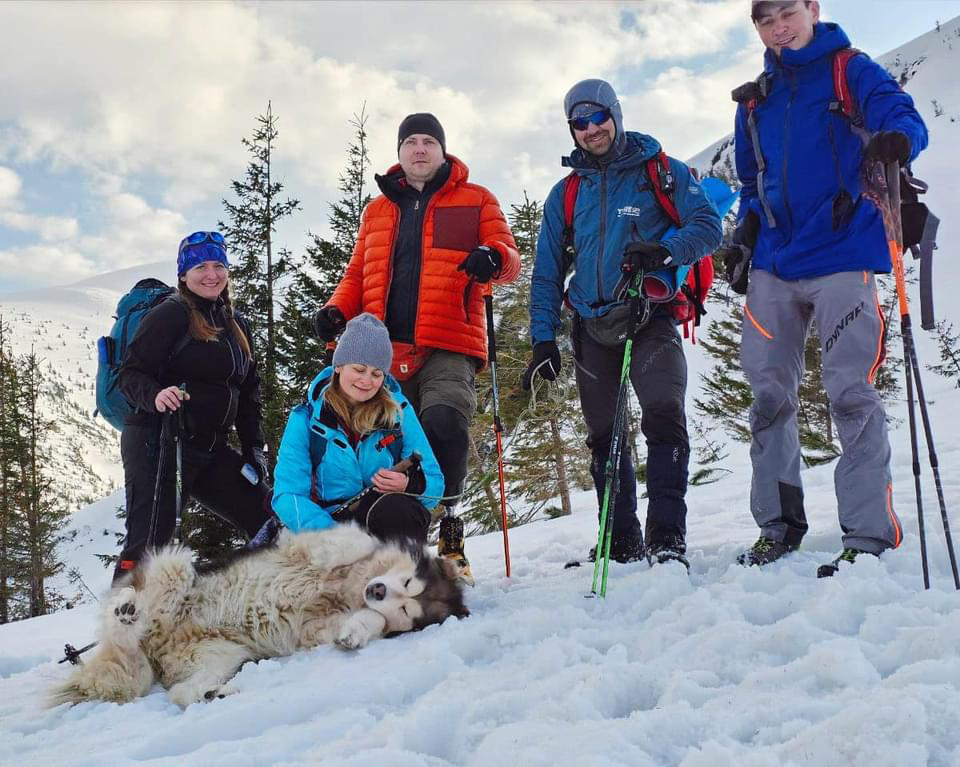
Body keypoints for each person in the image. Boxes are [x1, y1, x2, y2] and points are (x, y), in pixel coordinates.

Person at [728, 1, 926, 574]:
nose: (779, 27)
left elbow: (900, 113)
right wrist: (745, 230)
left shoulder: (851, 68)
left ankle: (867, 537)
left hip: (843, 252)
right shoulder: (754, 99)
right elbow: (749, 177)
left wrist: (896, 141)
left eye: (787, 12)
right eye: (766, 21)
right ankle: (778, 527)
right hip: (773, 261)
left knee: (850, 393)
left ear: (812, 8)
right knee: (768, 398)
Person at [313, 113, 520, 580]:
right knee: (383, 441)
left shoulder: (476, 200)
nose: (420, 149)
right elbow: (356, 274)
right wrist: (336, 311)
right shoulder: (377, 210)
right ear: (400, 152)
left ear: (443, 150)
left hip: (449, 338)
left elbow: (509, 256)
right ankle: (396, 544)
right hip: (383, 351)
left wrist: (495, 257)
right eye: (411, 142)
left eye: (429, 141)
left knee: (444, 419)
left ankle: (449, 530)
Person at [526, 79, 722, 567]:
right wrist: (542, 338)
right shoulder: (566, 193)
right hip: (592, 326)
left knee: (663, 417)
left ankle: (667, 538)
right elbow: (547, 270)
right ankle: (620, 540)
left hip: (649, 316)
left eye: (598, 118)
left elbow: (708, 227)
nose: (591, 130)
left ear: (615, 114)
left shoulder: (663, 173)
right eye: (580, 122)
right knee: (605, 437)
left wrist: (664, 251)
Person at [114, 231, 271, 583]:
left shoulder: (235, 322)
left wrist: (253, 448)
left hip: (210, 447)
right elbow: (131, 373)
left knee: (268, 519)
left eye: (218, 265)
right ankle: (123, 622)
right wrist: (155, 395)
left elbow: (249, 392)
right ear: (184, 274)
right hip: (159, 442)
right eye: (201, 266)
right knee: (149, 544)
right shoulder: (169, 314)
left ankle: (263, 602)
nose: (211, 274)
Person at [272, 313, 445, 544]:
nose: (367, 381)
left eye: (376, 374)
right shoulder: (304, 418)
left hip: (388, 523)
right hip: (329, 527)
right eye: (359, 369)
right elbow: (288, 495)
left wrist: (409, 484)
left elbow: (435, 483)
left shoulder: (399, 412)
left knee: (398, 507)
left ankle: (401, 577)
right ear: (339, 367)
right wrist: (335, 536)